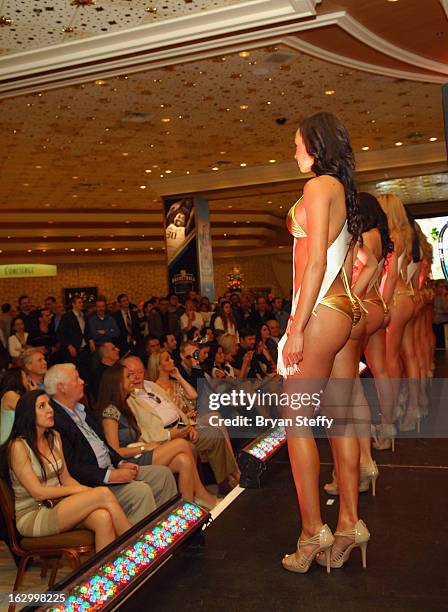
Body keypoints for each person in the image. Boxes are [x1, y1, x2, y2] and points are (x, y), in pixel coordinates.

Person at [278, 112, 370, 574]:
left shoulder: (317, 187)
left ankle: (312, 530)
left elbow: (314, 262)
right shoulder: (344, 191)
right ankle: (350, 522)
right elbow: (353, 257)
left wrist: (295, 326)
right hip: (345, 307)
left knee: (295, 423)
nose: (293, 152)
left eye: (296, 144)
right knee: (341, 417)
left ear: (314, 145)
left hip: (320, 309)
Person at [44, 364, 177, 524]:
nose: (82, 381)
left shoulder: (81, 410)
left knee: (163, 475)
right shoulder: (55, 420)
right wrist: (110, 475)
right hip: (92, 482)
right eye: (76, 379)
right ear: (62, 387)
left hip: (111, 469)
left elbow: (105, 446)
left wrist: (120, 463)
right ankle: (139, 544)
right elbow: (73, 467)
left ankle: (168, 532)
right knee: (140, 491)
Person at [0, 389, 132, 552]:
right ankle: (136, 548)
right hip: (33, 514)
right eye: (42, 406)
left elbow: (67, 478)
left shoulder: (54, 437)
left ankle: (107, 574)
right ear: (29, 414)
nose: (50, 409)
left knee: (102, 518)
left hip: (58, 505)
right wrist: (82, 490)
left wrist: (85, 493)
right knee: (103, 494)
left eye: (49, 404)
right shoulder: (18, 447)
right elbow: (38, 493)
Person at [99, 363, 217, 509]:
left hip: (140, 451)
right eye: (128, 376)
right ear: (117, 383)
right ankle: (201, 493)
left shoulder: (125, 404)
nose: (132, 379)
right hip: (129, 459)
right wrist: (144, 447)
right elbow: (115, 452)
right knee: (182, 444)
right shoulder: (110, 411)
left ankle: (187, 508)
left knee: (184, 460)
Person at [145, 350, 240, 491]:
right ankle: (231, 474)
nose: (172, 361)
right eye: (167, 360)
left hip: (191, 418)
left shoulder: (175, 381)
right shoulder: (154, 389)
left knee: (216, 418)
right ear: (159, 367)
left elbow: (193, 395)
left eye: (171, 358)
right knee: (215, 421)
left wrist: (178, 376)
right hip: (180, 425)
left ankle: (232, 472)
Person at [0, 368, 35, 444]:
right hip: (7, 442)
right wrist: (33, 394)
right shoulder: (10, 395)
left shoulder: (15, 395)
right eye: (26, 377)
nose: (28, 380)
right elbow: (30, 412)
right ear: (18, 379)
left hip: (14, 440)